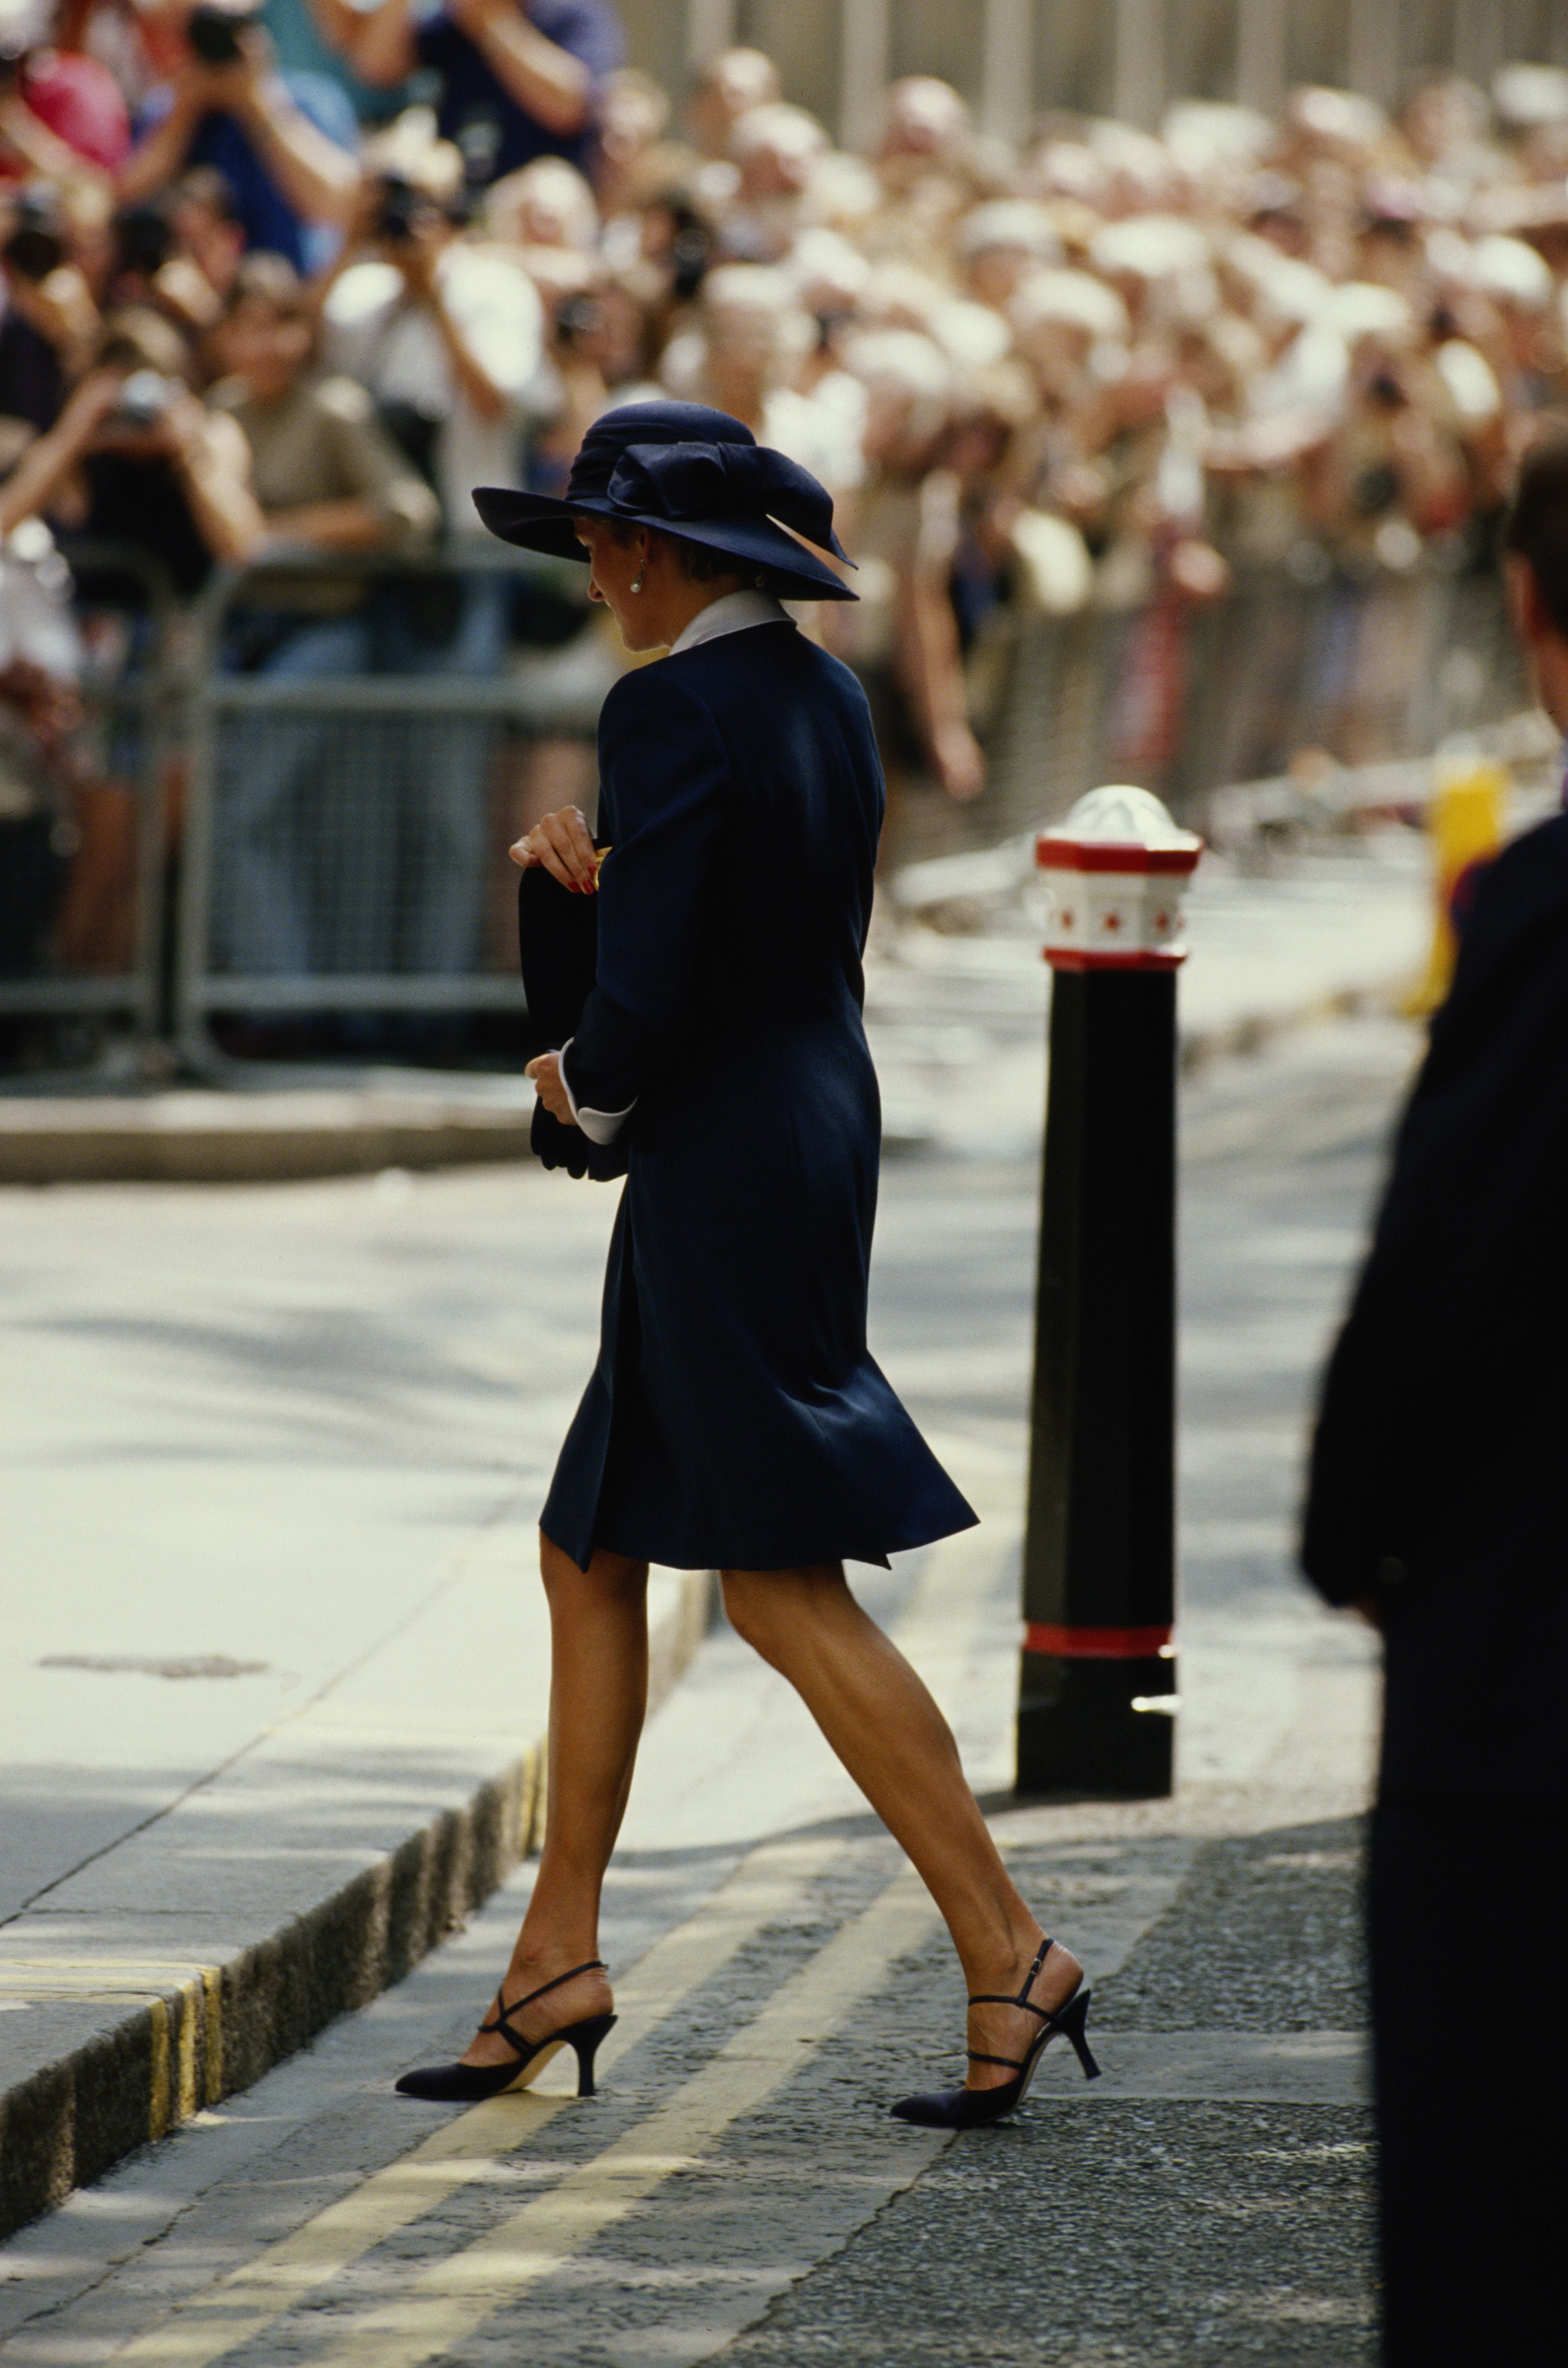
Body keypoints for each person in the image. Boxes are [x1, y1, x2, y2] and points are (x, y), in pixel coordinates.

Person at [391, 398, 1099, 2126]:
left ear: (652, 551)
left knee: (778, 1583)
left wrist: (577, 1078)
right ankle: (554, 1951)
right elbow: (729, 910)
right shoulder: (814, 693)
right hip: (795, 1124)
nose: (588, 569)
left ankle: (1006, 1945)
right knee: (591, 1543)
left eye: (597, 541)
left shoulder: (669, 702)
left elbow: (646, 1006)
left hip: (716, 1151)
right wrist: (589, 889)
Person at [1301, 427, 1568, 2364]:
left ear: (1535, 620)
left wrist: (1353, 1529)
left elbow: (1450, 1267)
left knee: (1500, 2225)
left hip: (1535, 1687)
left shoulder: (1546, 913)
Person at [316, 0, 621, 194]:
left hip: (539, 216)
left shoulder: (572, 12)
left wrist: (491, 26)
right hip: (458, 212)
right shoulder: (455, 21)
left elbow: (572, 104)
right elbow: (375, 66)